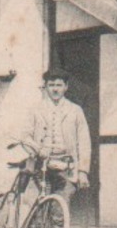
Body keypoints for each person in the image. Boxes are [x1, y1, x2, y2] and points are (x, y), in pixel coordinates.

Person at [18, 68, 91, 197]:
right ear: (45, 87)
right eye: (51, 85)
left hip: (66, 168)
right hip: (40, 168)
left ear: (66, 87)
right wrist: (38, 149)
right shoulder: (35, 110)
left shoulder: (75, 110)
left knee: (59, 210)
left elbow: (84, 143)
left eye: (59, 85)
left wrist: (83, 171)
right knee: (37, 206)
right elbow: (25, 136)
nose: (55, 89)